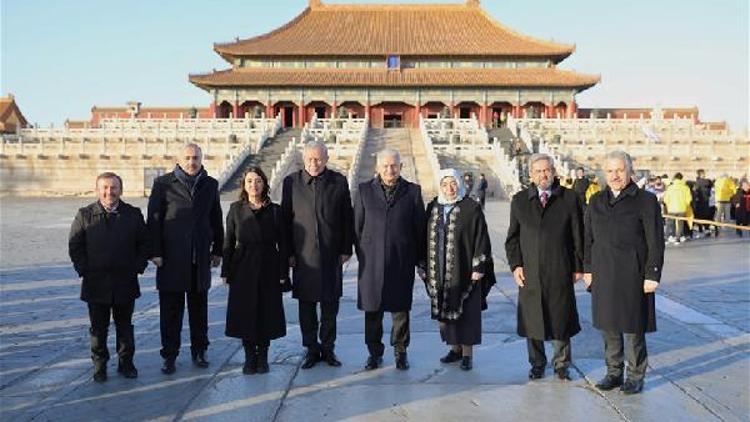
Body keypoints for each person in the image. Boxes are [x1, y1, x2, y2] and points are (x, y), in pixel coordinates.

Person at [583, 150, 664, 395]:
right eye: (610, 171)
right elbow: (588, 239)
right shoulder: (596, 201)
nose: (615, 175)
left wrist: (653, 274)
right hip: (603, 272)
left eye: (620, 170)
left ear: (630, 171)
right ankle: (613, 372)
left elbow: (655, 241)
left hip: (633, 274)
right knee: (608, 326)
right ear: (604, 173)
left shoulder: (646, 200)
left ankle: (635, 375)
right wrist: (587, 269)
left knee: (632, 328)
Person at [505, 154, 584, 381]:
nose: (543, 175)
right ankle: (537, 363)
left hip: (560, 268)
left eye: (547, 170)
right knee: (533, 319)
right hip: (530, 271)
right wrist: (516, 265)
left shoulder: (569, 198)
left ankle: (561, 364)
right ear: (531, 175)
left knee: (561, 319)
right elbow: (512, 239)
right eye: (538, 171)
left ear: (554, 172)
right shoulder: (520, 200)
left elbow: (578, 235)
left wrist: (578, 265)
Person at [147, 143, 224, 374]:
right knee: (171, 310)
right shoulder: (163, 184)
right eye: (188, 158)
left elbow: (216, 219)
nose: (192, 162)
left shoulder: (210, 185)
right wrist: (156, 252)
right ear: (179, 160)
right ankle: (169, 354)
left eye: (196, 158)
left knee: (199, 309)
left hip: (199, 257)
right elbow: (154, 220)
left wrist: (218, 250)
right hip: (171, 257)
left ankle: (200, 350)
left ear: (202, 159)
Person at [69, 172, 150, 382]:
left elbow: (144, 243)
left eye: (113, 188)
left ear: (120, 190)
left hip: (125, 281)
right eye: (105, 187)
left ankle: (126, 363)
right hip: (95, 282)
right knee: (98, 329)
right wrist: (84, 269)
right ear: (97, 190)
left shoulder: (132, 214)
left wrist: (137, 267)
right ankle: (100, 365)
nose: (109, 192)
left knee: (125, 326)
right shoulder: (84, 214)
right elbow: (75, 245)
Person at [282, 140, 354, 369]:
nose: (314, 163)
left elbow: (347, 217)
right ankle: (311, 349)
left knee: (330, 305)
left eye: (319, 159)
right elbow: (285, 219)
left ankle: (328, 348)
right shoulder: (291, 182)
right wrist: (288, 253)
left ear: (326, 159)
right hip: (303, 256)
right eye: (310, 159)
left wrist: (346, 248)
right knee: (307, 306)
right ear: (304, 160)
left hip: (331, 254)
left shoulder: (338, 181)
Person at [354, 148, 425, 371]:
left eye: (393, 165)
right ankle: (374, 353)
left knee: (400, 310)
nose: (389, 169)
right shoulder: (364, 190)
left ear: (401, 167)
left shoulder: (412, 192)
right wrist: (364, 253)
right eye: (384, 165)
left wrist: (418, 260)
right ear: (377, 168)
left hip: (401, 259)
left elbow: (419, 229)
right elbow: (357, 227)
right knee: (372, 309)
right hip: (371, 262)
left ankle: (400, 351)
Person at [420, 169, 495, 371]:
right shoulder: (433, 207)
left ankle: (467, 354)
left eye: (453, 183)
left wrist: (479, 265)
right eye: (445, 184)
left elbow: (481, 237)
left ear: (460, 184)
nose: (449, 188)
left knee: (467, 313)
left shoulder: (471, 208)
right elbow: (423, 238)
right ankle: (455, 349)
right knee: (446, 311)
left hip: (465, 270)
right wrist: (423, 265)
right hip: (439, 271)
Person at [222, 167, 289, 375]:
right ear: (244, 184)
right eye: (250, 181)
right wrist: (226, 270)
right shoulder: (235, 209)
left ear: (265, 184)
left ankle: (263, 356)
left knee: (266, 311)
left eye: (258, 180)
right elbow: (229, 241)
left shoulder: (275, 210)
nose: (254, 185)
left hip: (269, 264)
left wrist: (283, 272)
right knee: (245, 312)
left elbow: (283, 243)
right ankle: (249, 356)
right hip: (243, 266)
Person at [663, 173, 693, 244]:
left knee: (670, 223)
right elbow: (689, 199)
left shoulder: (670, 187)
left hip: (671, 208)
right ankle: (678, 238)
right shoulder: (685, 187)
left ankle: (669, 237)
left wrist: (668, 205)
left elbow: (666, 199)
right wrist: (686, 205)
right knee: (680, 223)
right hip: (682, 208)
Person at [693, 170, 714, 237]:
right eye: (703, 174)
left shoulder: (697, 182)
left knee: (699, 216)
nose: (704, 174)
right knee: (706, 216)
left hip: (699, 202)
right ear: (700, 174)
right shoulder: (707, 181)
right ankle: (706, 229)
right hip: (706, 201)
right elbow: (710, 186)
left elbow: (695, 191)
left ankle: (700, 229)